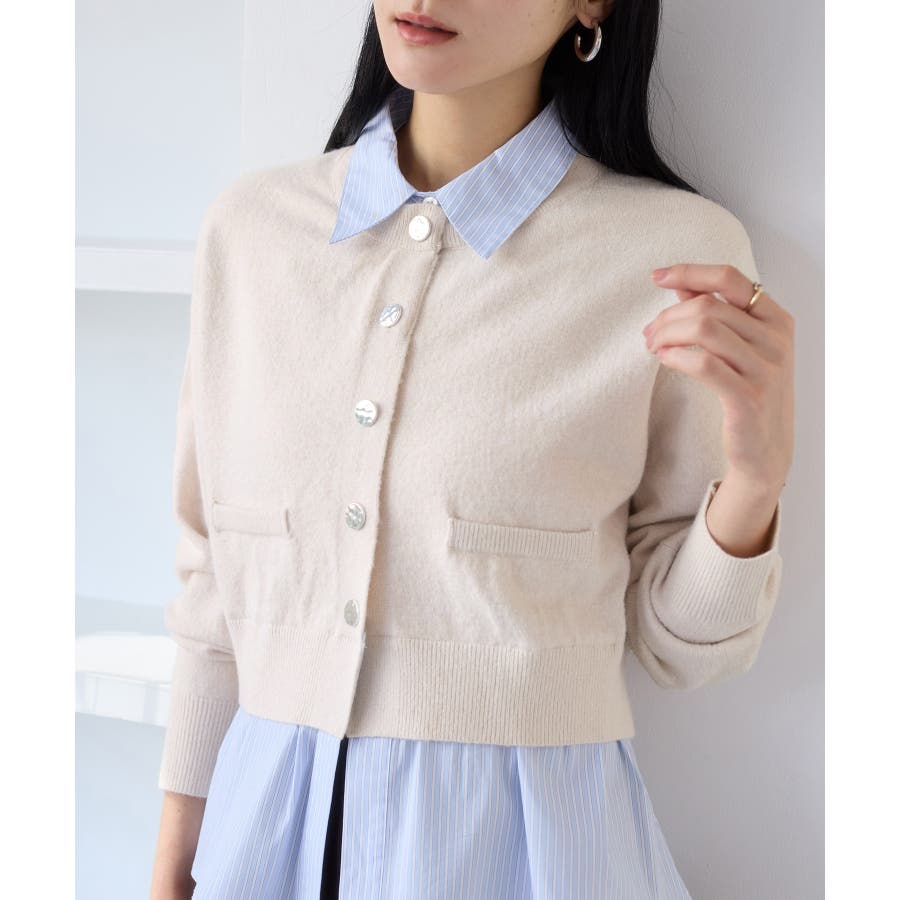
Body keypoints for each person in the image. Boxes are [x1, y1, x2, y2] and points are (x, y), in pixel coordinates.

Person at [149, 1, 794, 898]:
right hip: (259, 842)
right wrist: (174, 864)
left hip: (526, 849)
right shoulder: (252, 232)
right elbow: (215, 589)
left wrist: (756, 480)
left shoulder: (671, 255)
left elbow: (682, 650)